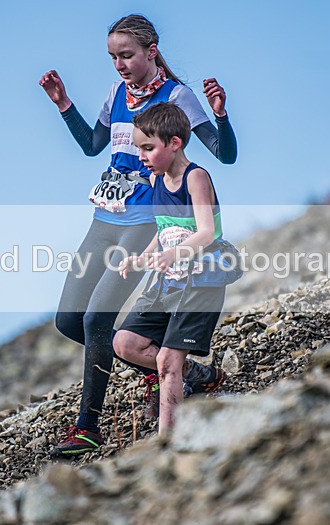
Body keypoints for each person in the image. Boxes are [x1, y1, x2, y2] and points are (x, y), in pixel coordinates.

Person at [39, 14, 237, 457]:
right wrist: (64, 105)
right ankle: (180, 374)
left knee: (97, 321)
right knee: (69, 320)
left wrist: (222, 117)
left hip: (145, 221)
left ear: (151, 50)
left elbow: (224, 154)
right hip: (105, 218)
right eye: (112, 57)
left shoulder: (178, 96)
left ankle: (87, 427)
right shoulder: (115, 94)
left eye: (126, 55)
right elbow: (93, 145)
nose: (119, 65)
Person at [114, 102, 239, 435]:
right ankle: (198, 375)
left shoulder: (195, 177)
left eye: (147, 148)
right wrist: (143, 258)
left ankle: (168, 439)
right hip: (167, 282)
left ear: (174, 143)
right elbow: (164, 229)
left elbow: (206, 232)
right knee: (125, 343)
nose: (140, 155)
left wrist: (176, 254)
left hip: (201, 282)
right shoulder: (157, 179)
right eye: (139, 147)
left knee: (167, 362)